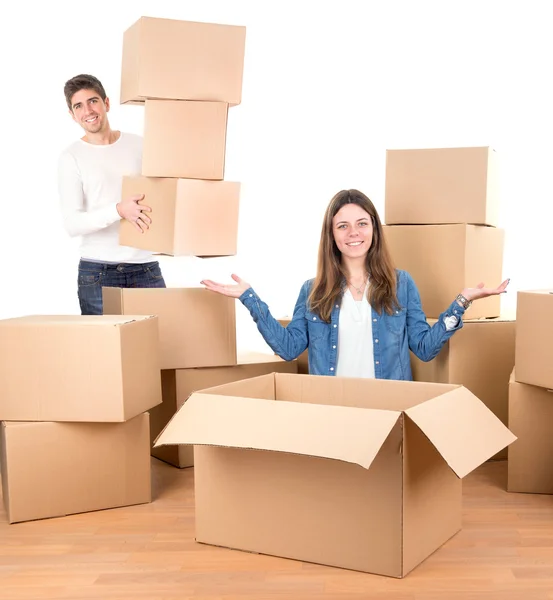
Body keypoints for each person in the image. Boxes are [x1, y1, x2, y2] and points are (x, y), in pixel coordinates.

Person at [201, 189, 509, 379]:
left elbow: (425, 350)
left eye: (362, 223)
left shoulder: (401, 284)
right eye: (343, 226)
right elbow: (288, 348)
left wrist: (462, 302)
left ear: (373, 228)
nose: (353, 233)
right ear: (332, 235)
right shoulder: (313, 291)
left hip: (388, 408)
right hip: (333, 410)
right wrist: (249, 298)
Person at [58, 73, 166, 315]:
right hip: (97, 272)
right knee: (102, 352)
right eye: (78, 106)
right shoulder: (71, 157)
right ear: (72, 115)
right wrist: (118, 210)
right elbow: (72, 224)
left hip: (145, 266)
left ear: (106, 103)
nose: (88, 110)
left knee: (156, 348)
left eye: (93, 101)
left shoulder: (140, 145)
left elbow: (165, 193)